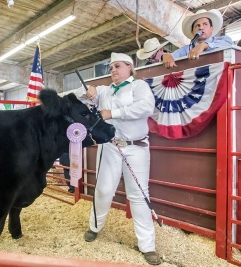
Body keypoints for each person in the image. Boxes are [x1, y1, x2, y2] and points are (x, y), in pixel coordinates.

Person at [75, 52, 160, 265]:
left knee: (139, 195)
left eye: (118, 66)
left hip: (137, 147)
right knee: (103, 190)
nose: (113, 70)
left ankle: (147, 246)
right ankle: (94, 227)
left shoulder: (139, 86)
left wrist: (113, 113)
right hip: (110, 147)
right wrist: (88, 92)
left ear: (129, 67)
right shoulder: (103, 90)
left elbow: (146, 108)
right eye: (111, 67)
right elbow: (77, 96)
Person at [162, 9, 233, 69]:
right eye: (197, 25)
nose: (201, 28)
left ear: (211, 28)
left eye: (205, 24)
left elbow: (230, 44)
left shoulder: (222, 40)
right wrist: (165, 56)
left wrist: (204, 45)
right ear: (192, 32)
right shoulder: (186, 49)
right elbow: (172, 56)